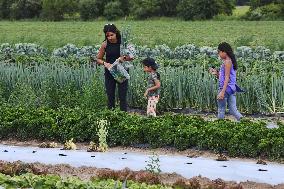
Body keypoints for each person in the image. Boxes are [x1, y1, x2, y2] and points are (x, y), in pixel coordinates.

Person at [97, 24, 134, 111]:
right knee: (110, 96)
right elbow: (98, 59)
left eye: (111, 35)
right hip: (110, 73)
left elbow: (132, 57)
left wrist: (123, 58)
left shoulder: (124, 43)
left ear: (116, 33)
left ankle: (123, 116)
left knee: (122, 97)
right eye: (107, 36)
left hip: (122, 72)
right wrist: (105, 63)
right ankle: (111, 116)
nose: (109, 37)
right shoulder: (105, 44)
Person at [209, 42, 243, 121]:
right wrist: (217, 74)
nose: (219, 54)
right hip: (231, 88)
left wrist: (222, 92)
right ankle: (245, 122)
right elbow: (224, 77)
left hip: (226, 89)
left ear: (224, 52)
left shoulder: (227, 62)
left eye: (219, 52)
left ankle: (220, 127)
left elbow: (227, 78)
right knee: (233, 110)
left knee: (221, 109)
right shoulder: (229, 61)